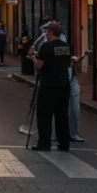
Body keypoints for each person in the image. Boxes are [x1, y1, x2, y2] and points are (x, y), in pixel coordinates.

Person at [31, 22, 71, 152]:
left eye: (47, 32)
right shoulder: (66, 46)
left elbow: (39, 65)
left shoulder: (46, 46)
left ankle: (44, 143)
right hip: (64, 84)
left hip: (49, 84)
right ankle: (64, 143)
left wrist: (32, 57)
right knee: (62, 115)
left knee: (44, 115)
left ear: (51, 33)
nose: (45, 34)